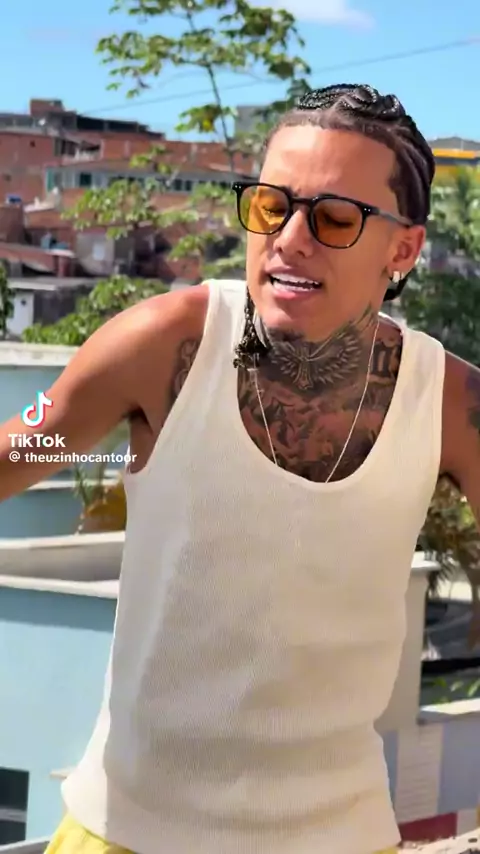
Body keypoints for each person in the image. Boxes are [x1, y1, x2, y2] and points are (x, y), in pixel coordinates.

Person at [1, 83, 479, 854]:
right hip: (125, 834)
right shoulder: (164, 343)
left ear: (403, 249)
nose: (290, 239)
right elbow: (27, 449)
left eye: (333, 217)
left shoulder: (450, 403)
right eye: (270, 206)